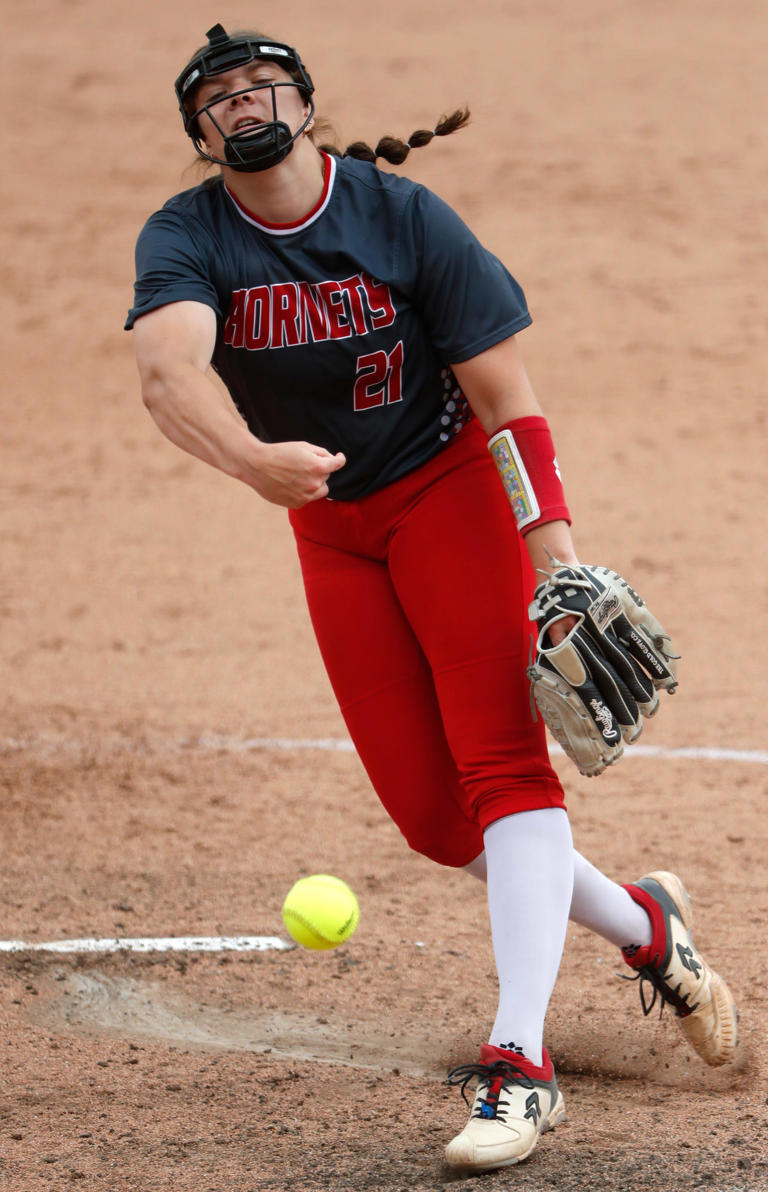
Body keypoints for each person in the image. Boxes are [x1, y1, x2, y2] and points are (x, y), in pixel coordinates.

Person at [126, 25, 738, 1173]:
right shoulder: (189, 233)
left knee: (504, 772)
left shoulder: (403, 217)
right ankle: (646, 926)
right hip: (333, 529)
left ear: (308, 100)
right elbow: (168, 370)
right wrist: (250, 463)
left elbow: (511, 401)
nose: (244, 104)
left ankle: (522, 1066)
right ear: (198, 135)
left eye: (264, 83)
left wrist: (553, 562)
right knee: (433, 818)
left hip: (448, 493)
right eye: (217, 97)